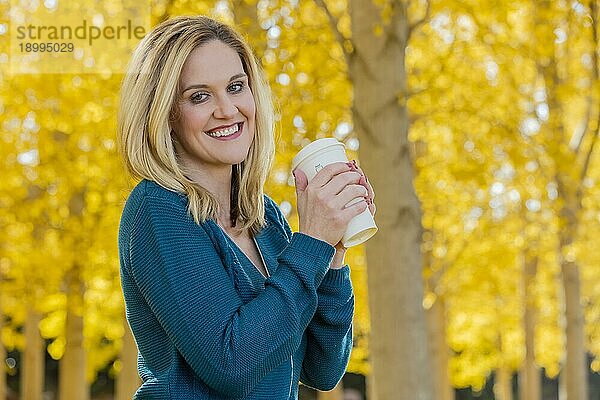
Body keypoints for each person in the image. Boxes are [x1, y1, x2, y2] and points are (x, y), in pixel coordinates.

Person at [117, 15, 376, 399]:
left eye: (236, 87)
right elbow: (232, 364)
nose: (227, 109)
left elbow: (321, 369)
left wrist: (332, 253)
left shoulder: (265, 218)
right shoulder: (158, 209)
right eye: (199, 96)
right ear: (166, 114)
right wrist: (312, 242)